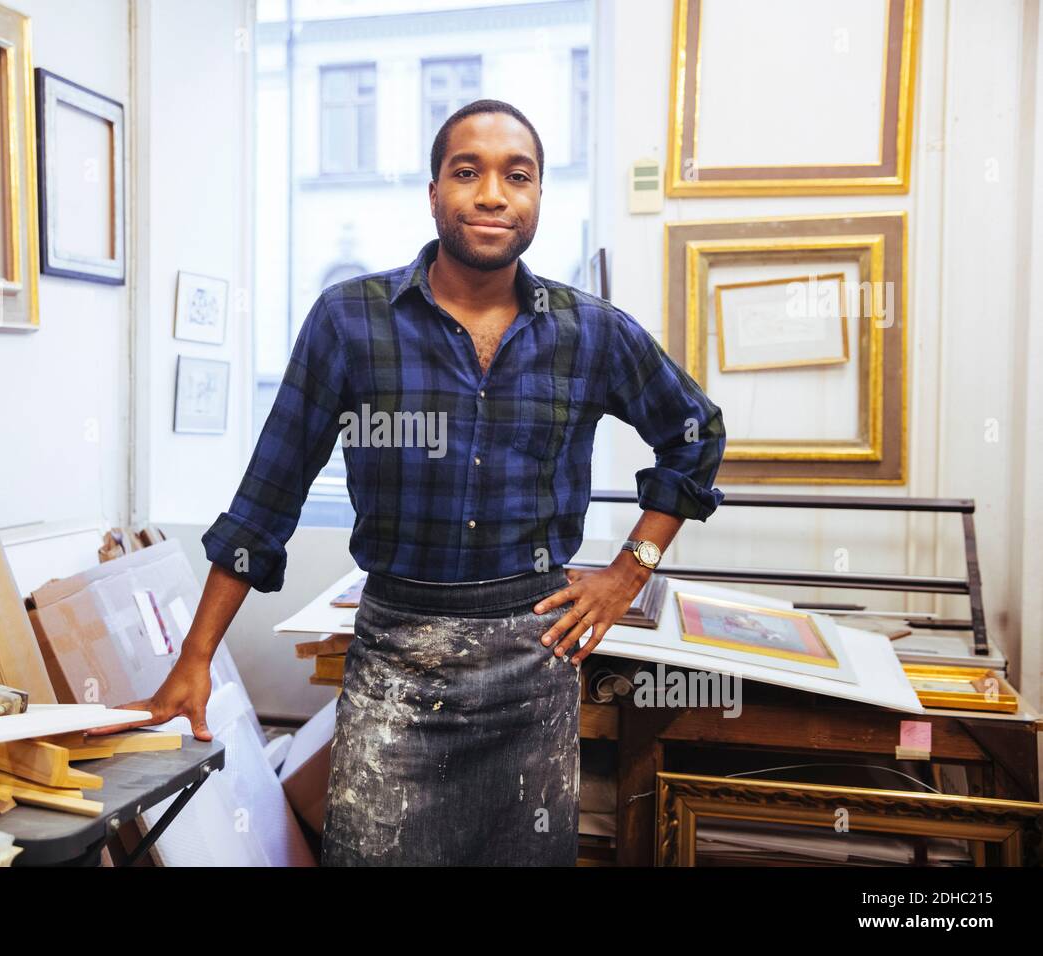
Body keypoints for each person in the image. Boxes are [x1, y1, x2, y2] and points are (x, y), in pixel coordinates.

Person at [90, 99, 725, 866]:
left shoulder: (591, 332)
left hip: (535, 659)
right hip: (395, 661)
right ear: (434, 193)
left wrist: (631, 571)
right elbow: (268, 498)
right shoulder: (350, 322)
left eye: (515, 176)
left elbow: (696, 434)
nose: (492, 193)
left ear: (537, 199)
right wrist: (193, 660)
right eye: (468, 171)